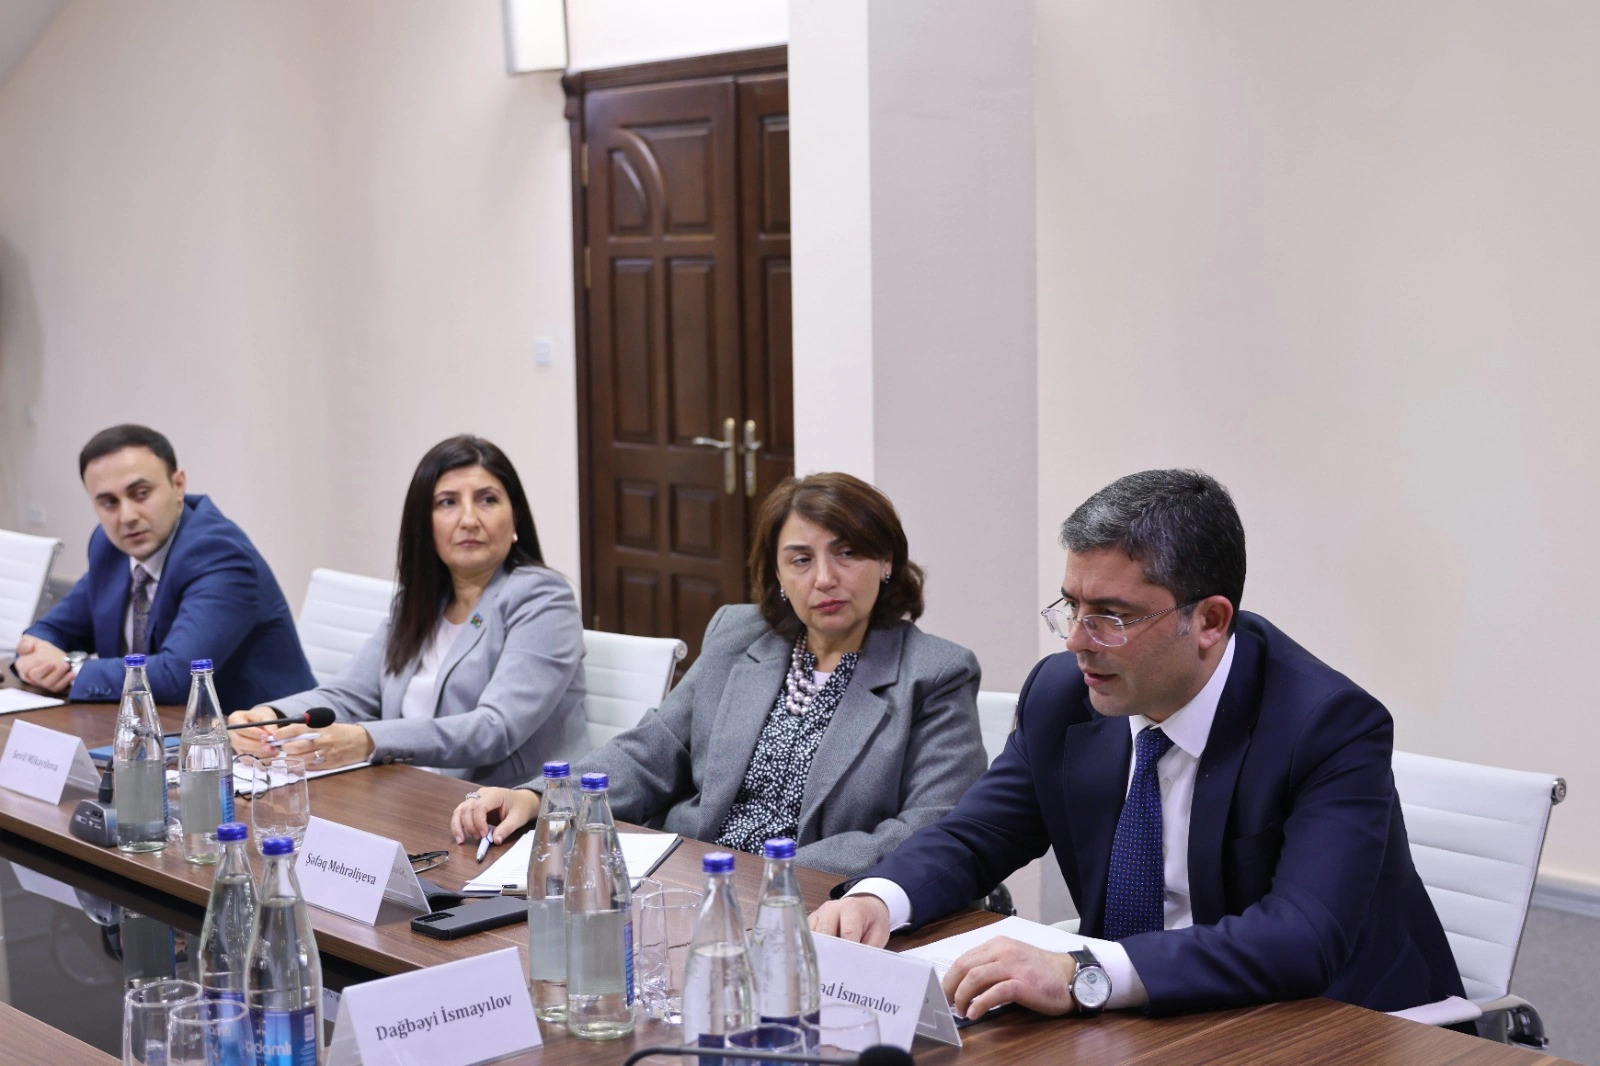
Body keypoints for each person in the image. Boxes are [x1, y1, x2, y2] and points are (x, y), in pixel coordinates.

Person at [811, 470, 1463, 1019]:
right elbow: (978, 834)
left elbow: (1301, 939)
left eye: (1112, 617)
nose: (1077, 640)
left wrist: (1083, 973)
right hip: (1144, 1018)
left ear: (1209, 621)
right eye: (1072, 606)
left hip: (1331, 1023)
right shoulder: (1063, 695)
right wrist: (879, 897)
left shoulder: (1327, 725)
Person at [450, 472, 988, 876]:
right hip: (695, 880)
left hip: (825, 904)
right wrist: (544, 799)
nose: (825, 578)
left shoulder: (936, 674)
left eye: (847, 554)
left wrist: (773, 875)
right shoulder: (739, 636)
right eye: (801, 560)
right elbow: (650, 751)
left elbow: (931, 825)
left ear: (887, 561)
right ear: (778, 574)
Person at [227, 435, 588, 787]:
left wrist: (368, 740)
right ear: (424, 524)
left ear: (515, 518)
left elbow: (494, 729)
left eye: (488, 500)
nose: (469, 519)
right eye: (447, 502)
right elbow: (349, 695)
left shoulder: (542, 597)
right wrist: (271, 716)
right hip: (410, 792)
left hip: (511, 807)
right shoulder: (419, 602)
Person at [13, 425, 313, 708]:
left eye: (141, 494)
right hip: (153, 726)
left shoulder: (219, 554)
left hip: (260, 733)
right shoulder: (109, 545)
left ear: (178, 485)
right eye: (108, 502)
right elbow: (54, 629)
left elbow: (179, 675)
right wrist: (35, 654)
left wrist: (72, 668)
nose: (127, 516)